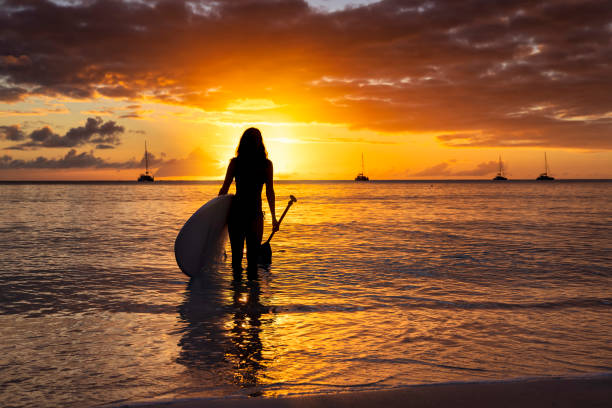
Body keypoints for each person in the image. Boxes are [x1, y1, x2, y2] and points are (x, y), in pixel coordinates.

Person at [219, 128, 279, 277]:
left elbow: (269, 192)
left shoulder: (264, 165)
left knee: (246, 263)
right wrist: (273, 217)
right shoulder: (237, 163)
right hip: (244, 216)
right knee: (243, 263)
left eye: (256, 138)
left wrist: (273, 217)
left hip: (248, 216)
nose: (254, 141)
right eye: (252, 138)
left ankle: (240, 297)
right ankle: (249, 298)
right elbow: (224, 189)